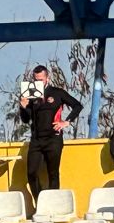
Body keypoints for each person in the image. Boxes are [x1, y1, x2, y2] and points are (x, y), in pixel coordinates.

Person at [16, 64, 82, 198]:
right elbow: (26, 119)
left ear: (47, 78)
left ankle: (52, 203)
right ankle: (39, 202)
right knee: (31, 173)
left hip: (53, 139)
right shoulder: (31, 94)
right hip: (37, 140)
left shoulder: (57, 92)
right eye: (36, 80)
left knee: (53, 173)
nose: (38, 83)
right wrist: (23, 107)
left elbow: (77, 106)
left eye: (41, 80)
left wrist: (66, 122)